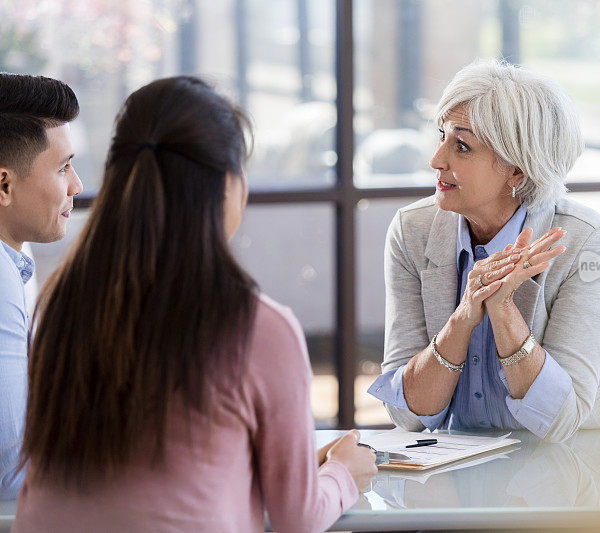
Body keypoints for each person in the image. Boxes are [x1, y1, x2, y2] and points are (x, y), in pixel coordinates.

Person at [12, 76, 376, 532]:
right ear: (226, 184)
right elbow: (296, 519)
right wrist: (345, 473)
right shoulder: (258, 326)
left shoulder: (59, 305)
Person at [369, 60, 600, 442]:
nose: (436, 160)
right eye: (441, 135)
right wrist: (463, 317)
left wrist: (503, 309)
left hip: (592, 455)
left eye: (461, 145)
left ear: (518, 171)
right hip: (465, 466)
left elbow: (561, 422)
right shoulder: (413, 230)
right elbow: (406, 413)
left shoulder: (582, 239)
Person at [0, 73, 82, 499]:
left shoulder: (16, 259)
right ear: (4, 185)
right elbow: (9, 477)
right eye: (64, 167)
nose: (76, 186)